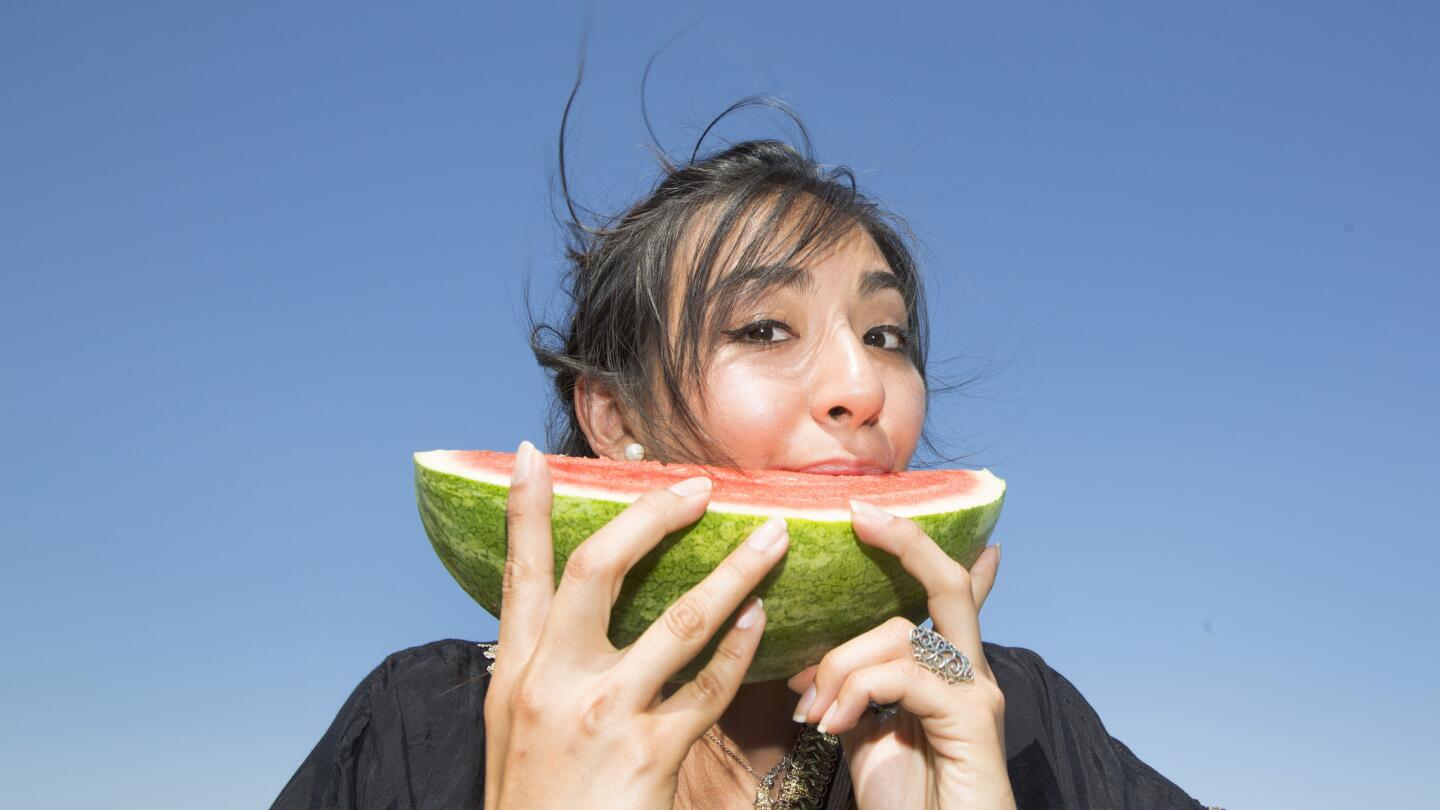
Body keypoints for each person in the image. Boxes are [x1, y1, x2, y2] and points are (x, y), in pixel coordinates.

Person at [272, 82, 1218, 810]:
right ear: (612, 419)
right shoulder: (422, 724)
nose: (862, 388)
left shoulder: (1015, 719)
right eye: (764, 330)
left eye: (887, 336)